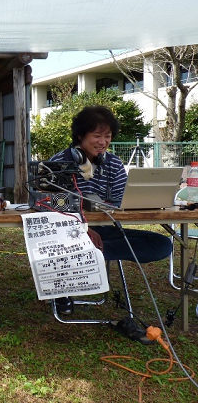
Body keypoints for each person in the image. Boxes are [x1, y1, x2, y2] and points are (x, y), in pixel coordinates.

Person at [49, 105, 172, 342]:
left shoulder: (113, 163)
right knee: (78, 239)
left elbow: (120, 199)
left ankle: (88, 252)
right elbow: (50, 204)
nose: (103, 142)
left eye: (107, 136)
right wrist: (84, 229)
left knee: (162, 244)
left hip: (107, 230)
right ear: (80, 136)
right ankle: (77, 257)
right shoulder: (59, 162)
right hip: (71, 231)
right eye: (97, 135)